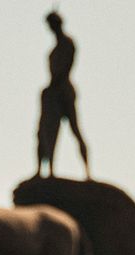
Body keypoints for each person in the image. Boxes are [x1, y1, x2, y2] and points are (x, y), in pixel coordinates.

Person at [36, 10, 91, 178]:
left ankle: (87, 172)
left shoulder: (67, 43)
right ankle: (45, 171)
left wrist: (53, 86)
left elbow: (65, 68)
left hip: (64, 92)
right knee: (46, 131)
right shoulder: (53, 50)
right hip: (53, 93)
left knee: (74, 129)